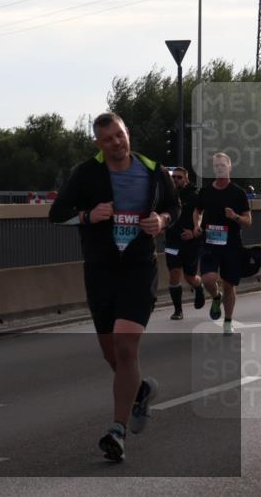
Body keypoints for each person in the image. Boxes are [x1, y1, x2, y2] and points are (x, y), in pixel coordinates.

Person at [49, 113, 178, 462]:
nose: (116, 143)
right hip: (101, 270)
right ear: (98, 144)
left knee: (125, 344)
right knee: (113, 354)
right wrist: (90, 216)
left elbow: (173, 207)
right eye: (107, 139)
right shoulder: (86, 173)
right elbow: (56, 213)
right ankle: (139, 393)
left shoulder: (153, 170)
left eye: (119, 135)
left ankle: (117, 431)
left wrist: (161, 220)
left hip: (139, 267)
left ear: (127, 133)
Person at [193, 152, 252, 336]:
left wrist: (235, 217)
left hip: (231, 244)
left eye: (222, 165)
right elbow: (197, 211)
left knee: (229, 285)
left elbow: (248, 220)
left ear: (229, 167)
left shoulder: (238, 193)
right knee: (208, 279)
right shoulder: (206, 191)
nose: (219, 168)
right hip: (210, 243)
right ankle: (216, 297)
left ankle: (228, 321)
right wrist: (196, 225)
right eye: (216, 166)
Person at [163, 167, 205, 320]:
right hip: (172, 241)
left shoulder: (195, 196)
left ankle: (198, 287)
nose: (175, 180)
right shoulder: (167, 195)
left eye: (179, 177)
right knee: (174, 274)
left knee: (190, 277)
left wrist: (193, 233)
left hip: (191, 242)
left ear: (186, 179)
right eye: (173, 177)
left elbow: (202, 216)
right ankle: (178, 311)